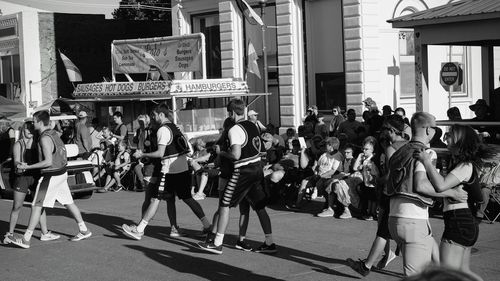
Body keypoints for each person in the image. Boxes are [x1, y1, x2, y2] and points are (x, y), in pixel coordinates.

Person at [385, 112, 468, 276]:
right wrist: (453, 193)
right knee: (415, 276)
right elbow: (421, 185)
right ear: (429, 130)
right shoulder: (427, 154)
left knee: (438, 264)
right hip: (414, 221)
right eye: (436, 128)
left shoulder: (398, 152)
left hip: (394, 219)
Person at [414, 124, 497, 281]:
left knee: (446, 275)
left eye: (450, 135)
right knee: (463, 274)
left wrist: (426, 162)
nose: (446, 137)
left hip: (459, 221)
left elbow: (440, 185)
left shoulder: (465, 165)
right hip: (464, 222)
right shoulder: (462, 163)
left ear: (461, 140)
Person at [121, 103, 211, 240]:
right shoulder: (176, 127)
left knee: (156, 198)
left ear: (161, 115)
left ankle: (139, 229)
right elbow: (186, 148)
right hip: (182, 169)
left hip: (169, 170)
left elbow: (160, 153)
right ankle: (207, 226)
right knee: (187, 199)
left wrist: (143, 155)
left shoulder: (163, 130)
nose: (153, 117)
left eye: (154, 115)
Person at [198, 98, 277, 255]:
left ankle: (217, 242)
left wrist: (221, 152)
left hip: (243, 171)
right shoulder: (252, 125)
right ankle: (269, 242)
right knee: (260, 208)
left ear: (232, 112)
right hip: (257, 169)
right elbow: (260, 149)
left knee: (224, 204)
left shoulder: (235, 129)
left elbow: (236, 154)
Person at [9, 110, 92, 249]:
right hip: (61, 173)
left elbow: (47, 161)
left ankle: (26, 239)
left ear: (40, 122)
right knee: (69, 203)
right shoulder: (54, 133)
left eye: (34, 121)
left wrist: (28, 167)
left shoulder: (44, 138)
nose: (32, 123)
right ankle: (84, 229)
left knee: (36, 205)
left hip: (51, 175)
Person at [348, 114, 408, 276]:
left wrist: (378, 180)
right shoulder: (409, 145)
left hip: (392, 193)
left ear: (392, 130)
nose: (382, 132)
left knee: (383, 230)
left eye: (385, 129)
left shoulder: (391, 148)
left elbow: (391, 174)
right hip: (407, 193)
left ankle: (367, 266)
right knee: (411, 233)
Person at [4, 121, 60, 244]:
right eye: (26, 128)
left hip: (36, 177)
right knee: (17, 206)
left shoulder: (39, 142)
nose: (29, 130)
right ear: (23, 130)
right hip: (22, 178)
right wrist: (20, 165)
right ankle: (10, 234)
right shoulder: (19, 144)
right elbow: (16, 163)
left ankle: (45, 233)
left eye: (31, 128)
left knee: (40, 206)